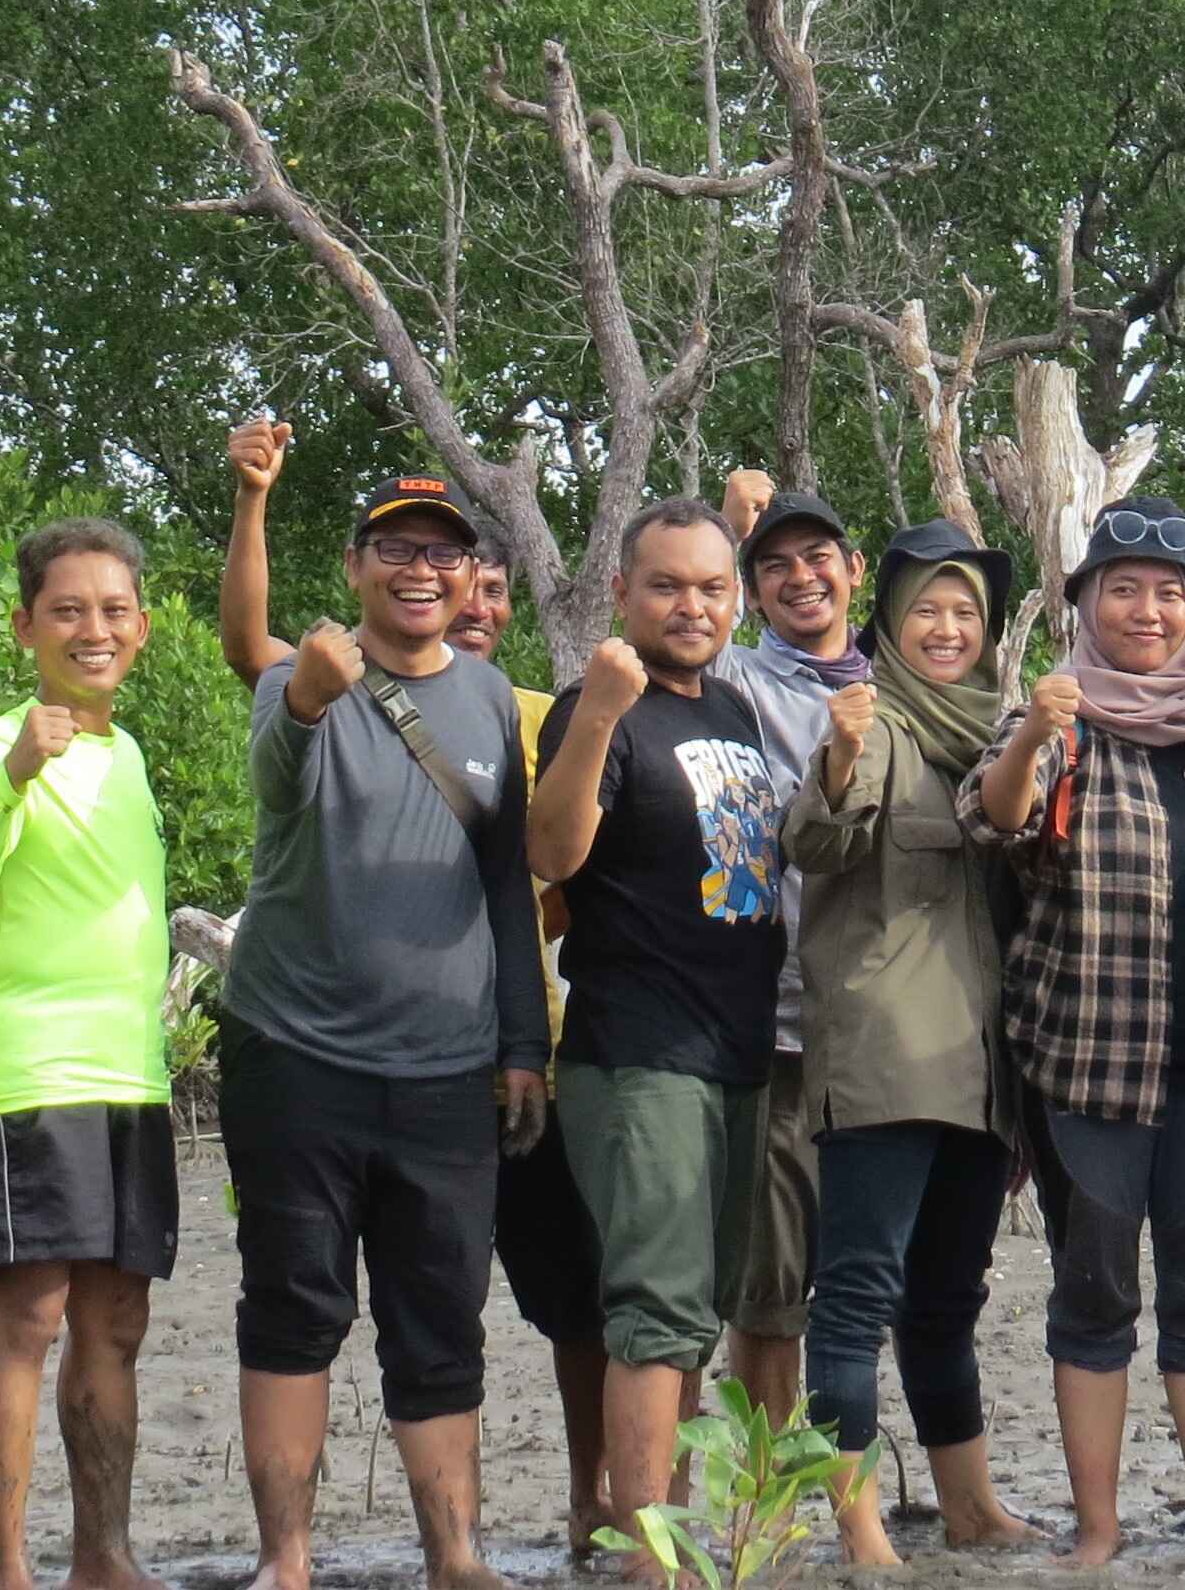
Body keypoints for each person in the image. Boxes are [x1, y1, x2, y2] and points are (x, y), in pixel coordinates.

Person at [222, 417, 610, 1555]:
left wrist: (520, 1047)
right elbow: (276, 784)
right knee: (293, 1311)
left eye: (442, 551)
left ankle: (456, 1556)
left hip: (448, 1073)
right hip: (293, 1055)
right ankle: (284, 1562)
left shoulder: (491, 700)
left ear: (470, 575)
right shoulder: (304, 674)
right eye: (395, 548)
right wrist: (302, 701)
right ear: (354, 567)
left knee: (439, 1322)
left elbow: (504, 885)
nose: (420, 569)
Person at [962, 494, 1185, 1566]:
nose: (1146, 609)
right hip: (1087, 1069)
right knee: (1094, 1298)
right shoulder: (1057, 718)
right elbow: (996, 816)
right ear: (1082, 602)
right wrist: (1034, 726)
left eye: (1169, 593)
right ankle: (1099, 1531)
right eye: (1122, 588)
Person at [527, 499, 789, 1577]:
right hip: (640, 1050)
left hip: (735, 1049)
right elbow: (550, 850)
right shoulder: (603, 703)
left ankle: (670, 1526)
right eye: (667, 585)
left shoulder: (729, 706)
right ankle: (648, 1554)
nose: (691, 604)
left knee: (698, 1309)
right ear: (624, 593)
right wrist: (593, 714)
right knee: (653, 1309)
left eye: (712, 586)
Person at [781, 519, 1040, 1566]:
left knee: (946, 1302)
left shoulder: (996, 730)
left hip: (982, 1072)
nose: (946, 629)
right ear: (887, 621)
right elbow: (815, 834)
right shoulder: (872, 721)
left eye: (965, 613)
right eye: (925, 608)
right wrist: (839, 755)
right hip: (888, 1062)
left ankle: (969, 1505)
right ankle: (856, 1527)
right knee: (852, 1301)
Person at [0, 520, 180, 1590]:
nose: (93, 629)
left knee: (114, 1321)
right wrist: (15, 775)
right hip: (33, 1074)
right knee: (27, 1315)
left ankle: (102, 1558)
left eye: (113, 610)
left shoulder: (127, 757)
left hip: (133, 1074)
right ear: (26, 624)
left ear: (142, 630)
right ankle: (4, 1566)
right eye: (68, 609)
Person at [712, 469, 862, 1423]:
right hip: (775, 1028)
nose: (800, 579)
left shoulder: (908, 686)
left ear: (853, 570)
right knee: (769, 1294)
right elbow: (686, 615)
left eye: (817, 559)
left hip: (885, 1036)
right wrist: (730, 527)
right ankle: (767, 1510)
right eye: (774, 567)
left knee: (871, 1281)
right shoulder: (736, 679)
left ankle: (877, 1493)